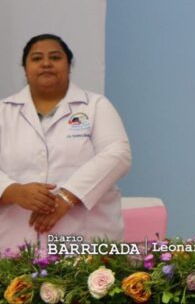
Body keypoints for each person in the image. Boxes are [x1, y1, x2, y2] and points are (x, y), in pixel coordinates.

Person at [0, 34, 131, 251]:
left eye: (55, 57)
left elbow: (118, 155)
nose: (46, 63)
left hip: (85, 240)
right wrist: (12, 191)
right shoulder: (3, 112)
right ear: (25, 69)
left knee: (83, 271)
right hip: (14, 242)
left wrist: (67, 196)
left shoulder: (95, 106)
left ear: (69, 65)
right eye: (36, 58)